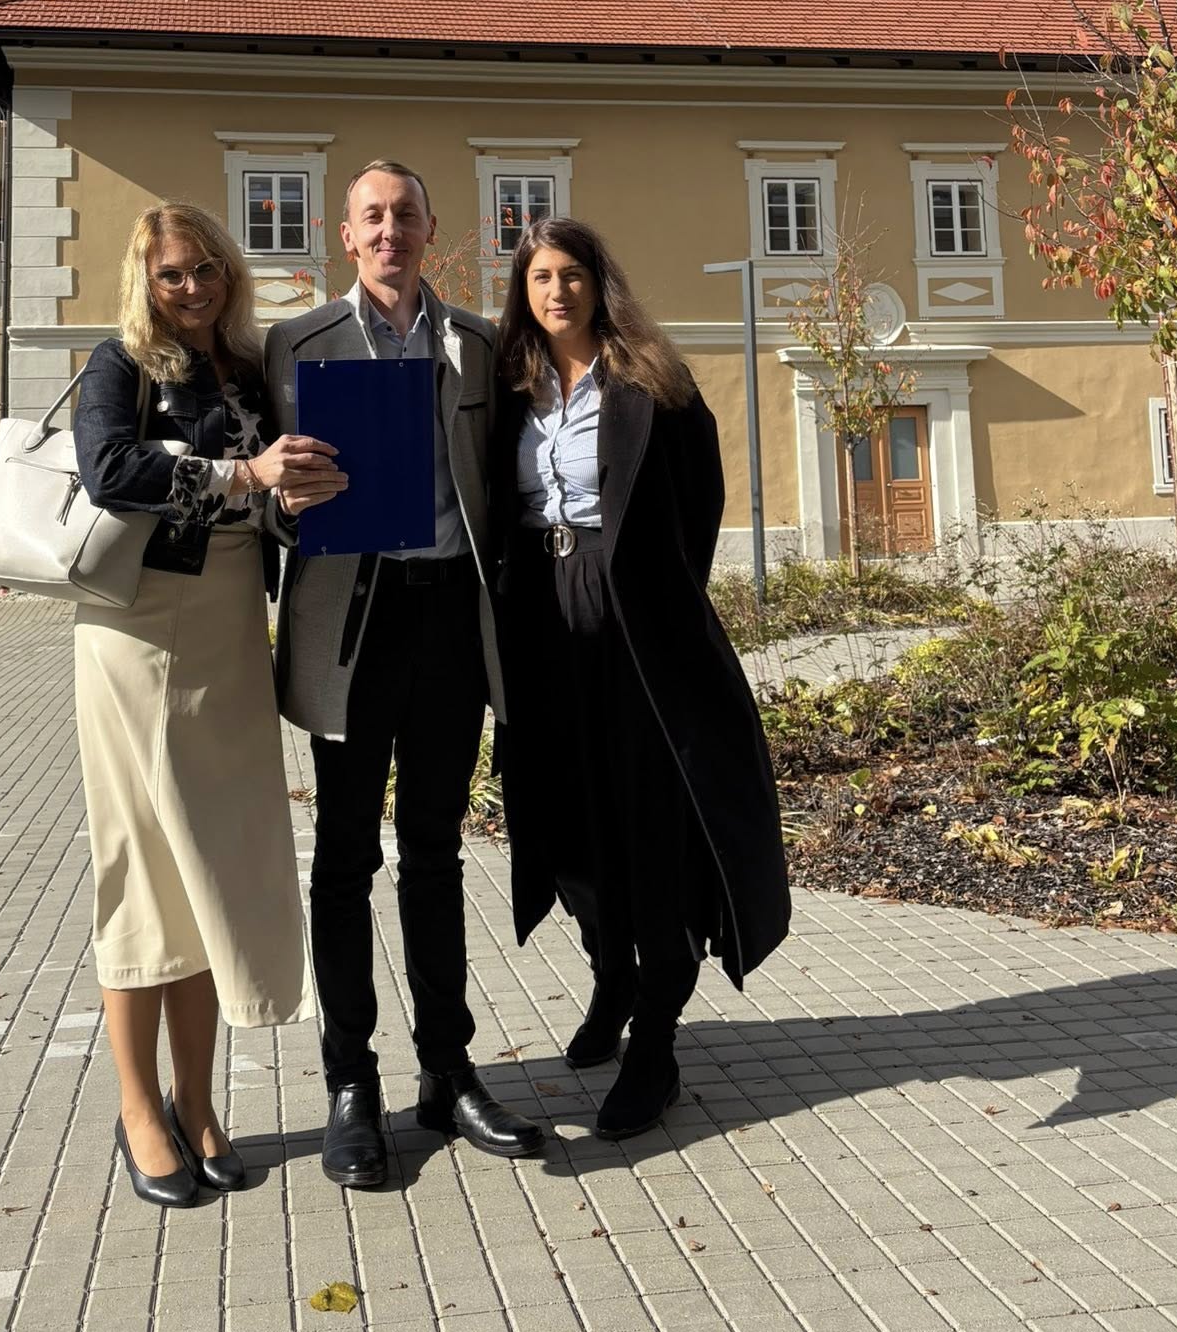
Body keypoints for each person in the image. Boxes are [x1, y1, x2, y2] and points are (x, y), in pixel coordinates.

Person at [263, 159, 544, 1190]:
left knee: (435, 852)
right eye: (372, 216)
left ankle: (447, 1070)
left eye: (406, 214)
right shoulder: (293, 343)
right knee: (343, 860)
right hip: (350, 621)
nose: (390, 230)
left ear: (431, 228)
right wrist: (275, 500)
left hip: (446, 623)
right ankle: (350, 1085)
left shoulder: (474, 340)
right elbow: (257, 483)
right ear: (347, 235)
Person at [493, 217, 791, 1140]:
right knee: (565, 815)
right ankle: (610, 975)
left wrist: (652, 605)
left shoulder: (654, 384)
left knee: (647, 824)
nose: (556, 292)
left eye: (572, 274)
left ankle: (657, 1034)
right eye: (540, 277)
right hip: (539, 619)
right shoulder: (511, 388)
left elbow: (699, 506)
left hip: (634, 626)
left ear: (598, 282)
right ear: (524, 291)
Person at [73, 202, 344, 1208]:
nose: (192, 288)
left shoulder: (243, 367)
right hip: (139, 630)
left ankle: (198, 1101)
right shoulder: (119, 363)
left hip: (229, 622)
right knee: (143, 862)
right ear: (145, 281)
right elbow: (110, 470)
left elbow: (270, 489)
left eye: (206, 270)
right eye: (172, 274)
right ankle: (140, 1106)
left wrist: (292, 491)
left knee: (209, 863)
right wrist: (242, 472)